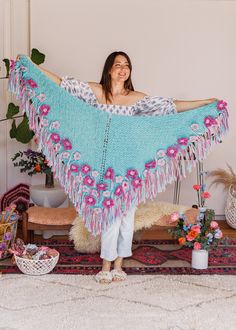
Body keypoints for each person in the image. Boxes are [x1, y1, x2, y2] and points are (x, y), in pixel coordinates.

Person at [18, 51, 218, 284]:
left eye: (127, 65)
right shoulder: (96, 92)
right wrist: (32, 66)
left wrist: (204, 103)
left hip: (129, 166)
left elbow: (171, 108)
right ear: (109, 69)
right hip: (103, 167)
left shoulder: (136, 99)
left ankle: (119, 265)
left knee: (127, 217)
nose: (123, 69)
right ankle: (106, 265)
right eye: (118, 65)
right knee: (109, 216)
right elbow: (62, 84)